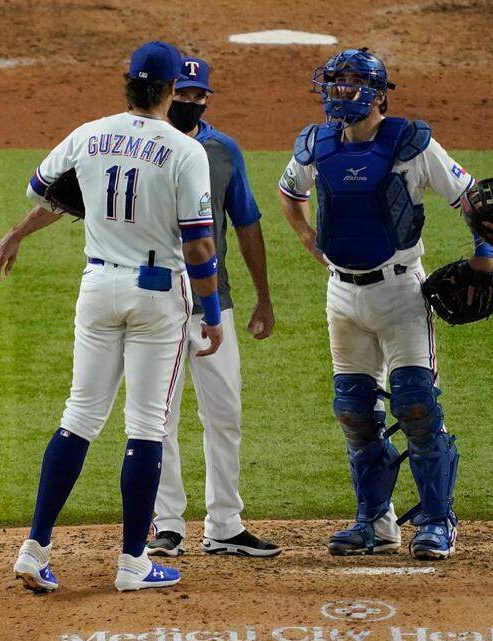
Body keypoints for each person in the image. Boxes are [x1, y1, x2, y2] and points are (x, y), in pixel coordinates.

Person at [0, 41, 222, 593]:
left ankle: (35, 546)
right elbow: (198, 246)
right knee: (146, 426)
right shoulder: (186, 151)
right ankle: (134, 562)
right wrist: (211, 313)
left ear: (128, 84)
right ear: (171, 89)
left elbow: (44, 190)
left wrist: (88, 200)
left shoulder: (87, 133)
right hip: (157, 295)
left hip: (96, 285)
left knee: (79, 416)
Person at [277, 48, 493, 560]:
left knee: (416, 405)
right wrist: (309, 238)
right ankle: (375, 520)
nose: (340, 91)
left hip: (400, 292)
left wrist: (484, 255)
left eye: (351, 82)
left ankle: (438, 520)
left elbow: (470, 196)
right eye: (335, 82)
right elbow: (290, 193)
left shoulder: (411, 144)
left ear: (377, 92)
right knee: (354, 411)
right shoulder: (315, 144)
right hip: (343, 293)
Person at [145, 56, 279, 558]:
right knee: (159, 417)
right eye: (183, 93)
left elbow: (246, 223)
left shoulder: (223, 151)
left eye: (199, 96)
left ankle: (224, 522)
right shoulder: (144, 145)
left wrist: (263, 297)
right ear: (166, 91)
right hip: (156, 306)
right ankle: (168, 524)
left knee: (225, 413)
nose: (191, 102)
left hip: (212, 306)